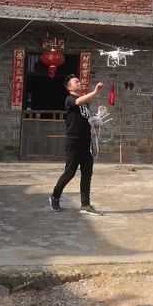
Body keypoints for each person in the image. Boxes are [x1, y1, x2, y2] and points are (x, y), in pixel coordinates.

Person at [49, 75, 104, 215]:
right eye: (76, 81)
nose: (79, 83)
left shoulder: (85, 104)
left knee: (87, 174)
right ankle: (55, 196)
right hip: (74, 142)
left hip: (86, 143)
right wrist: (95, 92)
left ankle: (85, 205)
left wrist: (96, 120)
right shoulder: (70, 99)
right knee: (69, 173)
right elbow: (78, 101)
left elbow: (87, 119)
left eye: (79, 81)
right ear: (69, 87)